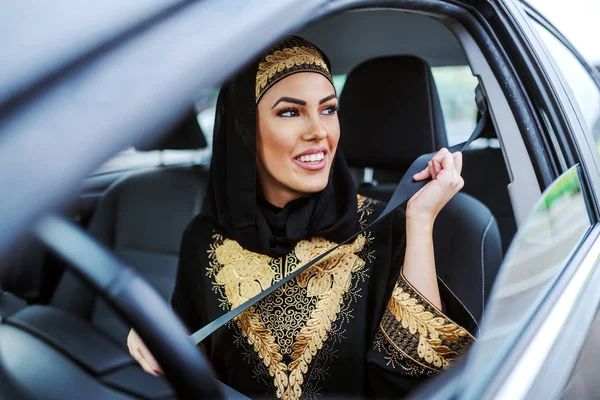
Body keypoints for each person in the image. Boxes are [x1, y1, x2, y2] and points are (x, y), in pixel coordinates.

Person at [127, 36, 476, 399]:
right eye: (290, 112)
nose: (319, 132)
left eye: (328, 109)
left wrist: (420, 220)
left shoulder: (386, 228)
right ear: (244, 130)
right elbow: (197, 368)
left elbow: (422, 378)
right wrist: (154, 337)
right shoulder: (205, 238)